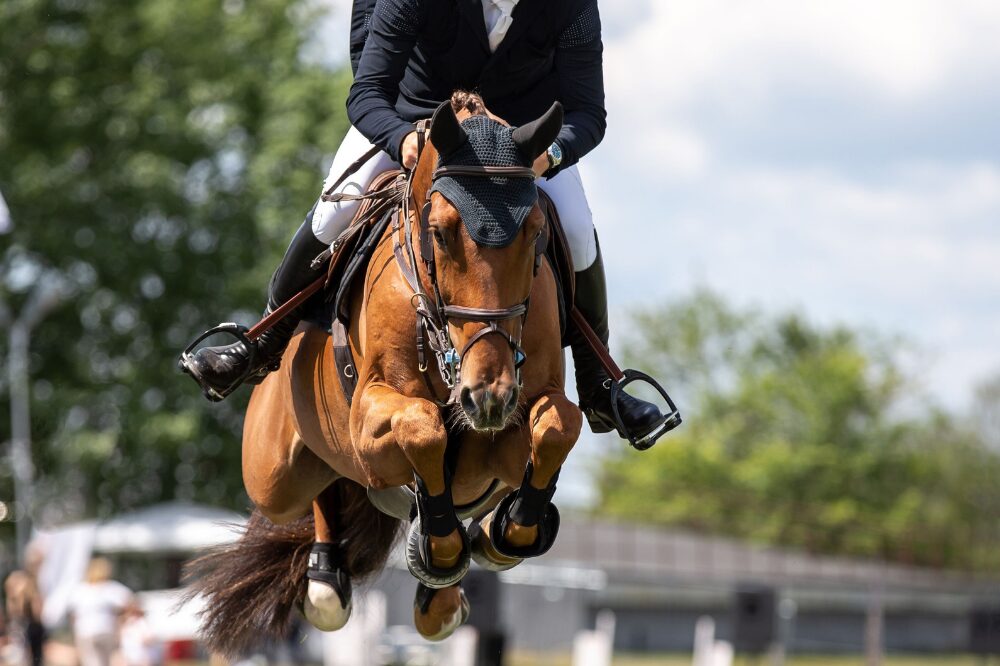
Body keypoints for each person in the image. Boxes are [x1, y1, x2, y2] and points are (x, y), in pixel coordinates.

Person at [180, 0, 666, 442]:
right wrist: (401, 138)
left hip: (517, 147)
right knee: (337, 209)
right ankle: (261, 343)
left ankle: (601, 385)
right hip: (418, 124)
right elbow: (367, 91)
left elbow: (588, 111)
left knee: (577, 232)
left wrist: (550, 153)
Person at [67, 558, 132, 666]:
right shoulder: (111, 588)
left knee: (92, 661)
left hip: (85, 632)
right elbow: (130, 603)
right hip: (106, 630)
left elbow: (73, 614)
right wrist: (121, 620)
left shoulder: (80, 590)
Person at [3, 548, 46, 666]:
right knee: (28, 655)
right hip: (27, 622)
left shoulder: (25, 579)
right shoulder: (23, 579)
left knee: (30, 655)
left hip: (26, 623)